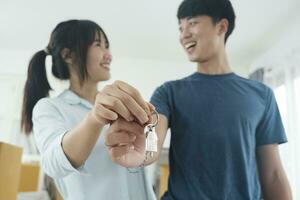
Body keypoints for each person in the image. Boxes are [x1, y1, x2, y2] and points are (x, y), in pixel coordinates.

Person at [104, 0, 293, 199]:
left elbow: (273, 175)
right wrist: (141, 153)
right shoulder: (168, 92)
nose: (184, 34)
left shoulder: (262, 95)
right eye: (180, 28)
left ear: (221, 26)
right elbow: (153, 141)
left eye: (192, 23)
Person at [21, 19, 156, 200]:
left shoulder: (121, 104)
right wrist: (94, 119)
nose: (109, 55)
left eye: (107, 47)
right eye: (98, 45)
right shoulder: (50, 108)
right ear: (68, 55)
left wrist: (149, 137)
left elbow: (149, 156)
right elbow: (52, 164)